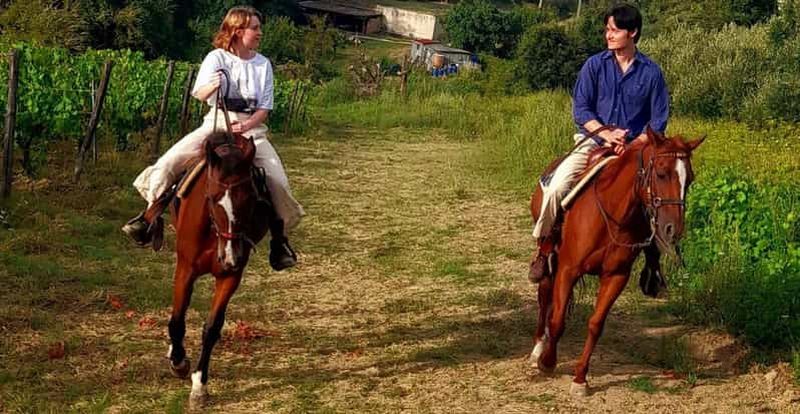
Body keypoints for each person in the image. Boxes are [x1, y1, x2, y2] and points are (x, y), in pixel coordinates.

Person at [122, 6, 304, 270]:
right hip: (215, 124)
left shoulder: (263, 64)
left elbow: (265, 107)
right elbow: (199, 93)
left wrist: (248, 125)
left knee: (278, 181)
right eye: (255, 28)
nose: (259, 33)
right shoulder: (216, 58)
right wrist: (213, 85)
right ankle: (148, 218)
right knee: (170, 162)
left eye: (258, 28)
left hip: (251, 130)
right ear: (237, 30)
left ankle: (279, 241)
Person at [529, 3, 669, 282]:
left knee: (660, 195)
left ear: (633, 33)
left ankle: (653, 262)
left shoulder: (651, 73)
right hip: (592, 142)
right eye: (607, 29)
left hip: (636, 149)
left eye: (615, 30)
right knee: (556, 186)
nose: (608, 35)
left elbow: (658, 122)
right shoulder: (594, 65)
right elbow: (581, 111)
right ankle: (544, 250)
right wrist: (607, 134)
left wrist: (633, 144)